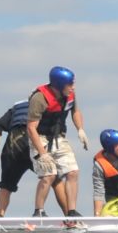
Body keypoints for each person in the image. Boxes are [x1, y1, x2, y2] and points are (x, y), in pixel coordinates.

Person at [24, 66, 88, 217]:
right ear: (59, 85)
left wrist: (80, 129)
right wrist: (42, 153)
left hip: (58, 137)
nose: (73, 87)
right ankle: (38, 211)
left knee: (73, 172)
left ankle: (71, 211)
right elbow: (31, 128)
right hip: (40, 137)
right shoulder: (39, 98)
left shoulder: (70, 94)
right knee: (49, 174)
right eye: (70, 84)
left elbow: (75, 111)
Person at [0, 101, 33, 217]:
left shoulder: (17, 108)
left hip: (13, 145)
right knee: (53, 178)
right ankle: (69, 216)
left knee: (6, 186)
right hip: (32, 143)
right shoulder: (47, 104)